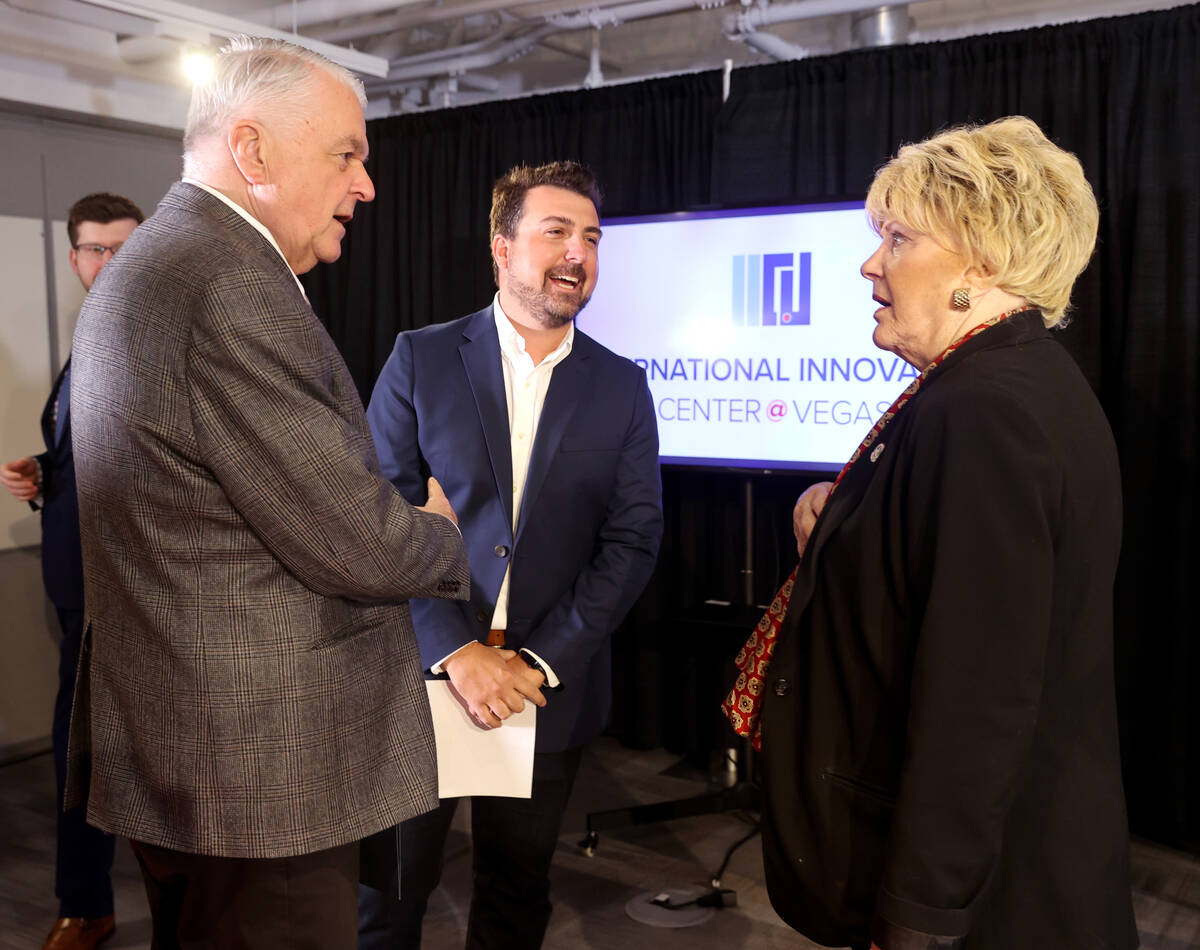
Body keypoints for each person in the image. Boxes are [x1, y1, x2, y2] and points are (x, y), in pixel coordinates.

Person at [65, 36, 470, 949]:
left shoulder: (161, 263)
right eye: (347, 154)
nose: (366, 185)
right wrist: (440, 530)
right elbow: (356, 540)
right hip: (260, 774)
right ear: (253, 152)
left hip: (197, 751)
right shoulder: (229, 285)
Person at [723, 116, 1138, 949]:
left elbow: (978, 698)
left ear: (979, 263)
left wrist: (917, 916)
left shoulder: (984, 411)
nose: (871, 263)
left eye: (899, 239)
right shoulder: (1007, 381)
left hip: (986, 901)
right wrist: (846, 523)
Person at [359, 160, 663, 949]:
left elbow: (632, 540)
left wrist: (539, 661)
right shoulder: (419, 359)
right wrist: (455, 647)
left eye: (591, 237)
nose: (578, 254)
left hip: (540, 689)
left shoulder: (622, 386)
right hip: (419, 680)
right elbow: (376, 520)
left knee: (516, 897)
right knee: (387, 902)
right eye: (556, 231)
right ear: (502, 248)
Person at [1, 192, 143, 950]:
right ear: (74, 258)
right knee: (80, 760)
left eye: (125, 248)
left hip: (134, 598)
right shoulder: (89, 334)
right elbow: (90, 452)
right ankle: (87, 904)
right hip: (79, 595)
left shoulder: (159, 335)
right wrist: (46, 469)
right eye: (95, 250)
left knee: (135, 763)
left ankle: (99, 907)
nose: (109, 264)